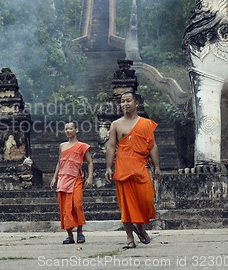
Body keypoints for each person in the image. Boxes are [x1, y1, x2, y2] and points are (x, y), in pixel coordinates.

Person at [104, 91, 162, 249]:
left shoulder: (145, 123)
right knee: (126, 205)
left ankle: (141, 227)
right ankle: (130, 238)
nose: (125, 104)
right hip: (123, 167)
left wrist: (157, 166)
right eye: (122, 101)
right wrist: (108, 167)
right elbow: (110, 146)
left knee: (145, 201)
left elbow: (152, 146)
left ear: (137, 103)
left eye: (128, 100)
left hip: (141, 166)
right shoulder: (116, 124)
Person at [50, 121, 94, 244]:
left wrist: (90, 177)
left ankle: (80, 233)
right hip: (63, 179)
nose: (68, 131)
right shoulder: (62, 146)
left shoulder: (82, 146)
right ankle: (69, 235)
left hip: (76, 179)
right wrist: (54, 178)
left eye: (70, 128)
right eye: (66, 129)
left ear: (76, 130)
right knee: (65, 208)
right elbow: (60, 162)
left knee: (77, 205)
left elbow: (90, 162)